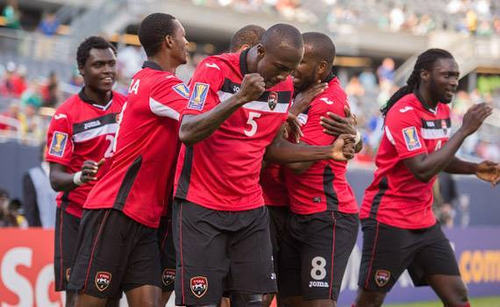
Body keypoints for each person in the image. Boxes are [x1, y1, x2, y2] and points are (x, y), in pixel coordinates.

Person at [173, 23, 355, 307]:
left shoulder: (281, 86)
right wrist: (239, 98)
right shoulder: (213, 70)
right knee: (204, 302)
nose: (285, 77)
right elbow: (187, 132)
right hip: (201, 206)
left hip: (250, 209)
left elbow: (274, 149)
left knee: (258, 300)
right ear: (259, 51)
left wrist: (328, 152)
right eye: (280, 67)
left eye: (291, 70)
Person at [354, 48, 500, 307]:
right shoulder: (404, 113)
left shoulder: (442, 110)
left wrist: (474, 168)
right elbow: (421, 168)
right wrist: (464, 131)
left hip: (423, 221)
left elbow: (438, 157)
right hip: (389, 219)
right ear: (424, 75)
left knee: (458, 297)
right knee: (371, 300)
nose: (455, 81)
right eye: (447, 75)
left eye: (456, 75)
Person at [67, 13, 189, 307]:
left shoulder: (147, 80)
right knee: (91, 301)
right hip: (117, 208)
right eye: (183, 35)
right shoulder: (161, 84)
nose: (188, 42)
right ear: (169, 41)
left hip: (144, 215)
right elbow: (204, 119)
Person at [279, 32, 361, 307]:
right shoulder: (295, 91)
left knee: (318, 303)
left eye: (301, 62)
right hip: (296, 214)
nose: (293, 66)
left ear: (322, 68)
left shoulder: (330, 102)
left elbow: (300, 164)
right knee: (290, 302)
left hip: (327, 217)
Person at [45, 36, 126, 307]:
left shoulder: (128, 107)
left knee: (109, 294)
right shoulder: (65, 116)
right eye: (98, 64)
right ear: (81, 68)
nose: (107, 70)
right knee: (77, 294)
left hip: (113, 215)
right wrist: (79, 176)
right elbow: (55, 178)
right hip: (76, 216)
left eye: (112, 64)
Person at [22, 143, 57, 228]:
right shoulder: (31, 176)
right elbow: (30, 208)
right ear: (42, 153)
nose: (50, 152)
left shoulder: (65, 175)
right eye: (47, 149)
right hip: (40, 228)